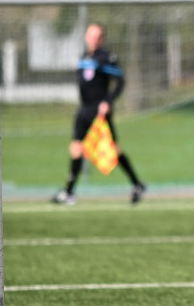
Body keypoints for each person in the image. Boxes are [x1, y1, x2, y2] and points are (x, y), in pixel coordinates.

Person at [52, 23, 147, 205]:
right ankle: (69, 192)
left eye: (98, 36)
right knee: (76, 147)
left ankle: (137, 184)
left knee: (112, 149)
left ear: (102, 39)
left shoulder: (106, 57)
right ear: (87, 37)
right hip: (84, 109)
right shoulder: (84, 57)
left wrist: (108, 101)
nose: (94, 39)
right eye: (91, 36)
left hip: (99, 111)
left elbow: (119, 82)